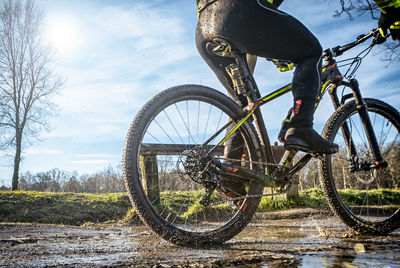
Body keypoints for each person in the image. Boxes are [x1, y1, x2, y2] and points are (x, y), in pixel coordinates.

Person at [195, 0, 400, 196]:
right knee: (311, 53)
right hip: (240, 10)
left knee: (242, 103)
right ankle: (300, 127)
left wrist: (277, 53)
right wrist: (392, 9)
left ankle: (230, 173)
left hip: (205, 27)